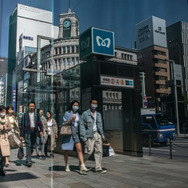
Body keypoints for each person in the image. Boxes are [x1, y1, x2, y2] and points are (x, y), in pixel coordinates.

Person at [80, 99, 107, 174]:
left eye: (96, 103)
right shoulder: (85, 114)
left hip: (97, 134)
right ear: (90, 104)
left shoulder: (98, 114)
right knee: (89, 151)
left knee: (99, 151)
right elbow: (81, 126)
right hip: (89, 134)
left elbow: (100, 125)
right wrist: (83, 137)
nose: (94, 105)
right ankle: (82, 164)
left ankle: (98, 168)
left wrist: (102, 135)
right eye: (93, 103)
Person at [62, 100, 89, 173]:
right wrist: (71, 120)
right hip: (69, 133)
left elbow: (81, 124)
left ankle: (82, 165)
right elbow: (64, 123)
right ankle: (66, 164)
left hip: (77, 133)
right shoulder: (67, 113)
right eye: (74, 105)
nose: (76, 107)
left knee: (79, 149)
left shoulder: (79, 114)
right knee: (66, 150)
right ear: (72, 106)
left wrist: (84, 124)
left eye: (77, 105)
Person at [20, 101, 43, 167]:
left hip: (34, 132)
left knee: (32, 145)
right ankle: (28, 160)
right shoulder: (25, 115)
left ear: (34, 107)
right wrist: (21, 135)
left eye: (33, 106)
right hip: (27, 132)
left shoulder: (36, 114)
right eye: (30, 106)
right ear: (28, 107)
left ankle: (29, 153)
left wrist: (41, 131)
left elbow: (40, 123)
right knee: (28, 145)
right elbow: (22, 125)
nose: (31, 107)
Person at [0, 105, 12, 176]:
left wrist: (6, 128)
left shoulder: (7, 118)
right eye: (2, 111)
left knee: (3, 155)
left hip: (4, 139)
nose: (3, 112)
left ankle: (1, 168)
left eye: (4, 111)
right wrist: (2, 127)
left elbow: (10, 127)